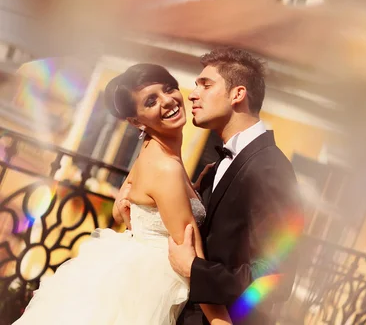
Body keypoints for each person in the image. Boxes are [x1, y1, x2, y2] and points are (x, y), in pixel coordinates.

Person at [13, 64, 231, 325]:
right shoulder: (165, 166)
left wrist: (194, 186)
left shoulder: (155, 150)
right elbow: (192, 254)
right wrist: (222, 322)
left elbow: (135, 201)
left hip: (128, 272)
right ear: (136, 121)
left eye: (169, 88)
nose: (167, 101)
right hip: (146, 290)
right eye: (151, 101)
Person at [167, 48, 304, 325]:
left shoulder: (270, 168)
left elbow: (275, 277)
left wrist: (195, 270)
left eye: (206, 85)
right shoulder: (217, 167)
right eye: (195, 86)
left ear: (237, 94)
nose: (193, 94)